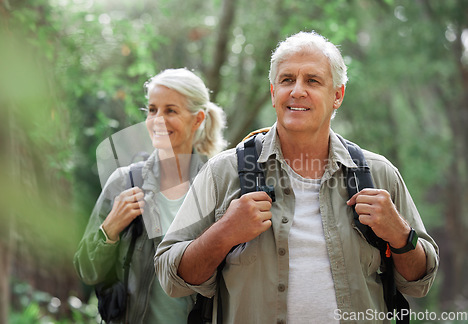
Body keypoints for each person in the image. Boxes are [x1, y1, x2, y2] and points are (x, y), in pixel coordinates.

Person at [154, 31, 439, 323]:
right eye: (287, 80)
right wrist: (225, 231)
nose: (297, 91)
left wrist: (401, 236)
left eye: (312, 80)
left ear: (337, 95)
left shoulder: (378, 174)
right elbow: (171, 278)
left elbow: (419, 282)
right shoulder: (222, 173)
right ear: (273, 91)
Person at [74, 68, 227, 323]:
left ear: (198, 119)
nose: (157, 120)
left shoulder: (218, 187)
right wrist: (109, 230)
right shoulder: (123, 183)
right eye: (152, 110)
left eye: (170, 111)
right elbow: (86, 271)